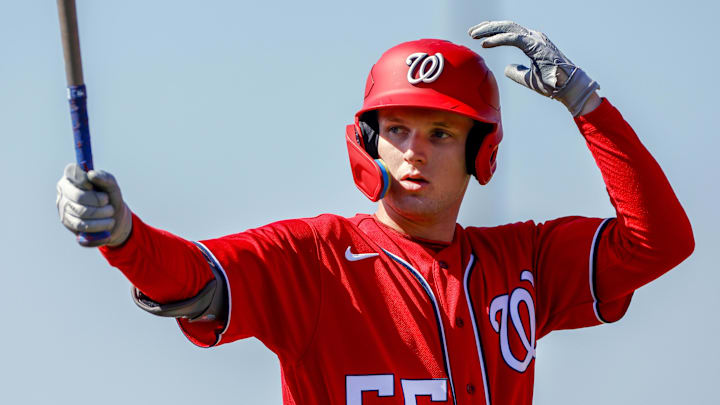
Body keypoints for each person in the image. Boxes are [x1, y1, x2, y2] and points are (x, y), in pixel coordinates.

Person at [55, 21, 694, 405]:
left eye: (441, 133)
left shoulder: (521, 261)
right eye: (396, 129)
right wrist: (126, 236)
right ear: (368, 143)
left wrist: (588, 106)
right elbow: (191, 280)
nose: (414, 151)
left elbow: (660, 242)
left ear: (480, 150)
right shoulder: (316, 258)